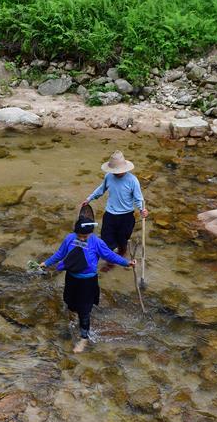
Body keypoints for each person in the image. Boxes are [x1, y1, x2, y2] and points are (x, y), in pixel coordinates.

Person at [42, 219, 135, 353]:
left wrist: (126, 263)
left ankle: (84, 338)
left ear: (90, 234)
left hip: (87, 282)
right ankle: (72, 318)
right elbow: (60, 254)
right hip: (72, 278)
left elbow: (109, 255)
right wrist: (46, 263)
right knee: (70, 303)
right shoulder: (70, 238)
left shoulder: (96, 242)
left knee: (84, 311)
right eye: (79, 235)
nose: (82, 238)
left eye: (85, 236)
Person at [81, 150, 148, 269]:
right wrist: (89, 198)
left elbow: (138, 199)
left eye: (119, 171)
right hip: (110, 215)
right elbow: (101, 190)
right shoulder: (109, 177)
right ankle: (110, 262)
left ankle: (122, 253)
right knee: (106, 241)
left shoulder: (132, 180)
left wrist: (143, 209)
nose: (117, 173)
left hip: (126, 216)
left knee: (122, 241)